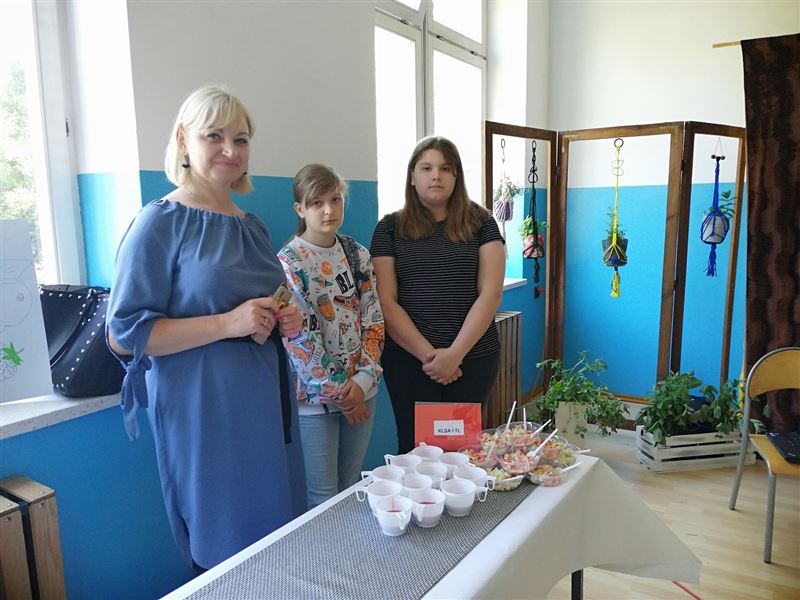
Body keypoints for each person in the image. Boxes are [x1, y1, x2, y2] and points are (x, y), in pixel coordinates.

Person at [106, 85, 307, 570]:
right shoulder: (160, 223)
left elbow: (265, 304)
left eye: (241, 139)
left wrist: (287, 319)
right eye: (213, 135)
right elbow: (124, 335)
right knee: (224, 546)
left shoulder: (252, 226)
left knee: (276, 545)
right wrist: (227, 323)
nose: (230, 150)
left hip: (266, 403)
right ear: (183, 139)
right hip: (203, 410)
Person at [370, 136, 505, 454]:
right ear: (412, 176)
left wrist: (455, 355)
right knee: (416, 449)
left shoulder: (482, 223)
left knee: (463, 450)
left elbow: (490, 294)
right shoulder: (389, 228)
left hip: (473, 357)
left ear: (456, 175)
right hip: (409, 361)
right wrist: (431, 357)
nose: (436, 176)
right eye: (426, 168)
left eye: (445, 168)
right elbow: (386, 301)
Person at [278, 163, 384, 508]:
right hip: (315, 399)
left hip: (363, 389)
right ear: (300, 209)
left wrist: (362, 382)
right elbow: (299, 339)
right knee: (323, 497)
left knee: (350, 486)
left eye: (335, 199)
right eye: (317, 202)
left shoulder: (356, 254)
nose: (328, 210)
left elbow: (373, 320)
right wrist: (341, 394)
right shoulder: (289, 263)